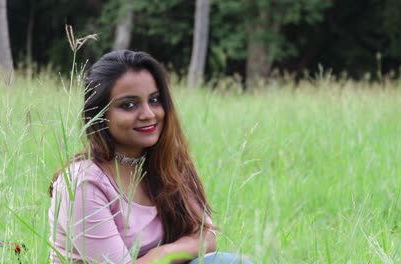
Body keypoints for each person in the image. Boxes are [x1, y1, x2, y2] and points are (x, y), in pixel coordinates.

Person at [48, 50, 251, 264]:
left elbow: (207, 237)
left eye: (154, 100)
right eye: (128, 105)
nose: (148, 114)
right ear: (99, 115)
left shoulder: (167, 163)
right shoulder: (82, 184)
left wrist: (162, 253)